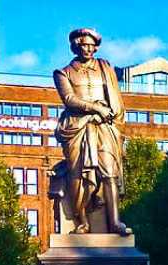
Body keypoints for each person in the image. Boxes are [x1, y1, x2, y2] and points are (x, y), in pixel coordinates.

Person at [53, 28, 130, 236]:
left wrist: (108, 114)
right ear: (75, 46)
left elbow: (115, 99)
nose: (87, 48)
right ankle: (82, 222)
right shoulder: (63, 73)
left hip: (104, 125)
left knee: (109, 170)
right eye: (83, 44)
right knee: (77, 175)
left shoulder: (105, 67)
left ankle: (114, 222)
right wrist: (96, 108)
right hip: (76, 127)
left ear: (95, 47)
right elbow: (69, 99)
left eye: (90, 45)